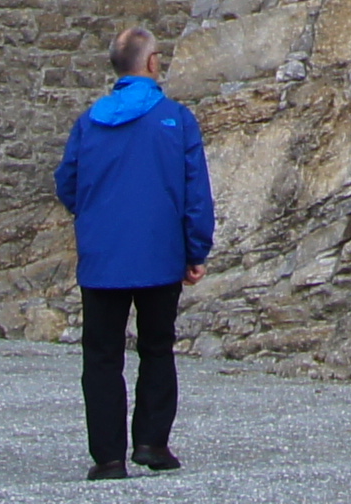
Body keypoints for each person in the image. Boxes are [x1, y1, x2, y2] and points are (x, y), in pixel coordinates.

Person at [54, 25, 215, 482]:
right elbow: (194, 192)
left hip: (102, 256)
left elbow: (67, 180)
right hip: (160, 253)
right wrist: (195, 248)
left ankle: (107, 457)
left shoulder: (90, 120)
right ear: (151, 63)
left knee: (102, 355)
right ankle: (152, 443)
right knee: (157, 347)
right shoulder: (176, 118)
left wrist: (92, 215)